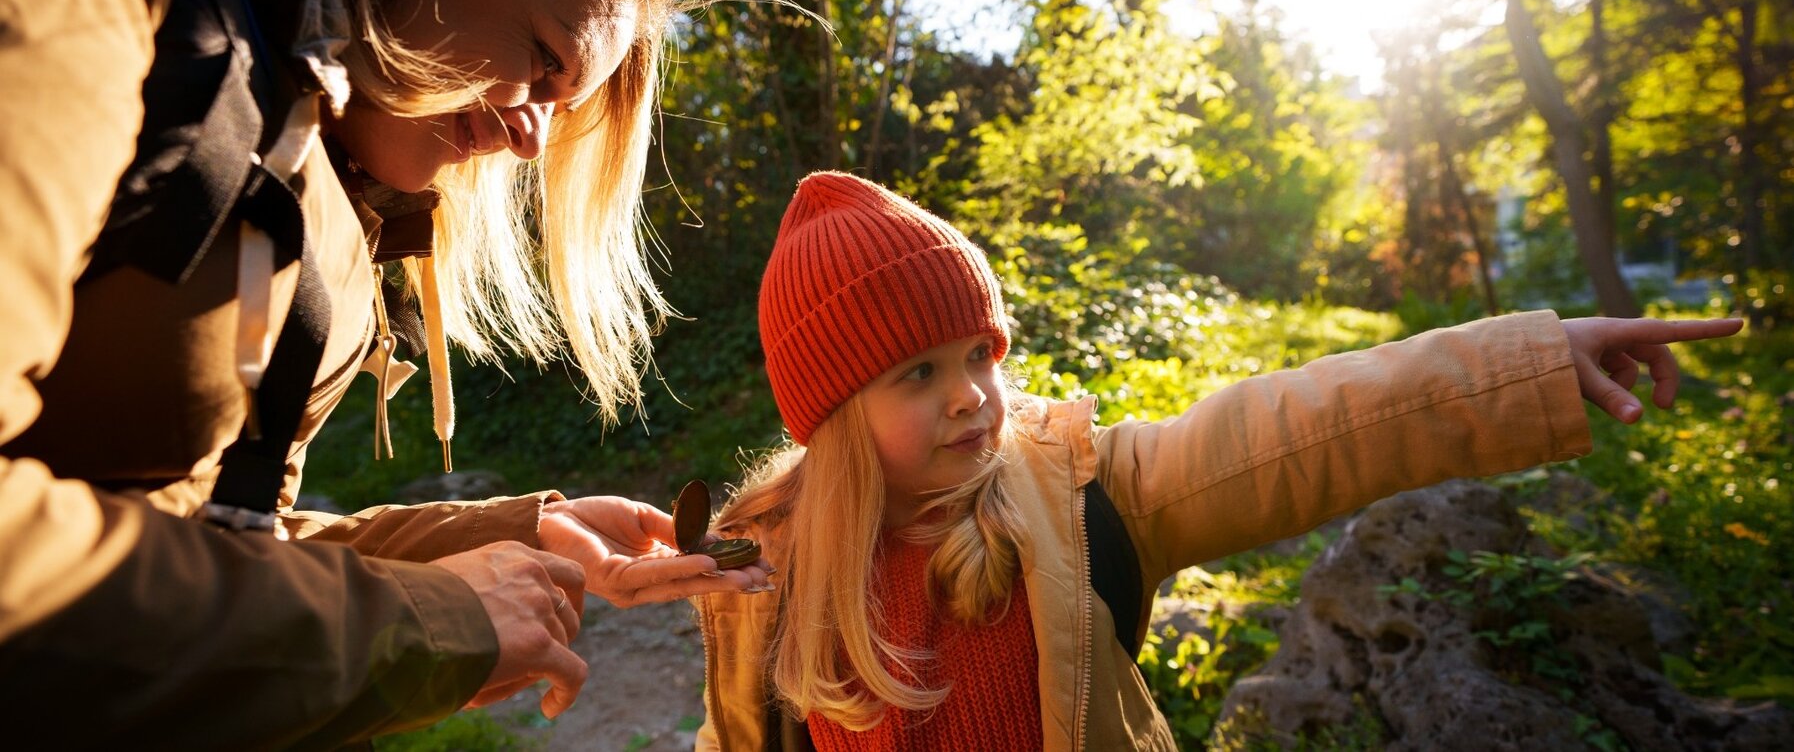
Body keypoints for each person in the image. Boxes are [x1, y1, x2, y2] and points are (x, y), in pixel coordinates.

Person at [0, 0, 767, 744]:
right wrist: (426, 623)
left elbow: (205, 533)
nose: (530, 141)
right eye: (544, 60)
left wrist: (513, 538)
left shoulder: (309, 138)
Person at [690, 171, 1743, 751]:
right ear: (834, 417)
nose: (971, 393)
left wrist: (1531, 361)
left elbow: (1304, 430)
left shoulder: (1079, 493)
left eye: (979, 354)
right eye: (917, 373)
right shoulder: (766, 575)